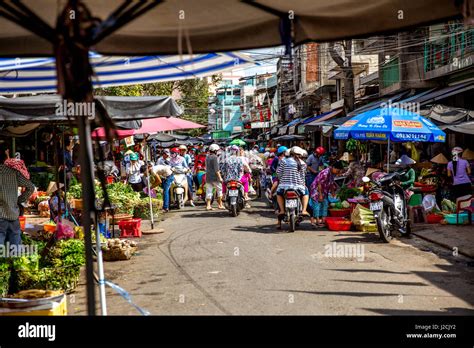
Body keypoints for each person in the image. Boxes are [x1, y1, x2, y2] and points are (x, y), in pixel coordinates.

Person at [0, 162, 35, 247]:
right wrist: (19, 200)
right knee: (15, 249)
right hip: (13, 214)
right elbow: (31, 187)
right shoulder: (13, 172)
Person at [275, 146, 310, 221]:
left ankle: (282, 210)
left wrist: (281, 179)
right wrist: (303, 184)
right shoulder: (303, 163)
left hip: (284, 186)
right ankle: (304, 210)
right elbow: (303, 176)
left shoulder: (284, 161)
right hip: (299, 187)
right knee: (306, 192)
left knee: (278, 193)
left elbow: (278, 173)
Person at [309, 160, 344, 227]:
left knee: (325, 204)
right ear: (333, 167)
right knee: (317, 205)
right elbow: (319, 184)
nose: (337, 172)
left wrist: (333, 192)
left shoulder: (332, 173)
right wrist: (320, 195)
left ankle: (323, 221)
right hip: (316, 190)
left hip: (324, 190)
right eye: (337, 171)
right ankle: (317, 221)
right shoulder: (325, 173)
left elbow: (331, 183)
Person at [205, 144, 224, 210]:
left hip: (208, 176)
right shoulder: (215, 157)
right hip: (215, 177)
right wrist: (220, 178)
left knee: (209, 191)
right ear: (215, 150)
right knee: (219, 190)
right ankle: (220, 205)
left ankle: (208, 205)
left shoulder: (207, 157)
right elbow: (217, 170)